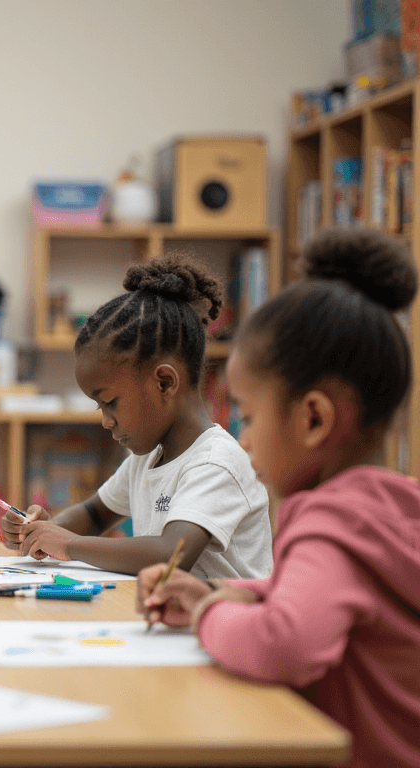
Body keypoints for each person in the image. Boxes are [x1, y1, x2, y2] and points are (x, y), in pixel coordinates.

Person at [138, 228, 420, 768]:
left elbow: (284, 646)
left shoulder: (332, 519)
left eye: (246, 413)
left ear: (313, 417)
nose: (240, 436)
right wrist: (218, 590)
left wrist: (207, 616)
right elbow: (333, 594)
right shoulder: (392, 506)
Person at [1, 254, 272, 578]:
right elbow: (95, 514)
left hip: (224, 627)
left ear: (165, 382)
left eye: (110, 403)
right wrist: (44, 530)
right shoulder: (146, 459)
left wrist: (69, 544)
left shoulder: (215, 463)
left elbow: (170, 554)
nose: (106, 421)